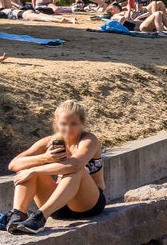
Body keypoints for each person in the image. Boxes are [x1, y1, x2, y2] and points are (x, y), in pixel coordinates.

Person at [6, 100, 107, 234]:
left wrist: (34, 170)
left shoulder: (88, 139)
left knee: (76, 170)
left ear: (82, 123)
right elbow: (14, 164)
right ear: (56, 123)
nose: (68, 129)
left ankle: (40, 217)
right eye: (63, 124)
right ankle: (17, 214)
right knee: (25, 168)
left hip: (87, 204)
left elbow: (75, 164)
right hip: (58, 205)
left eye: (73, 124)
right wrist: (44, 158)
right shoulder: (50, 141)